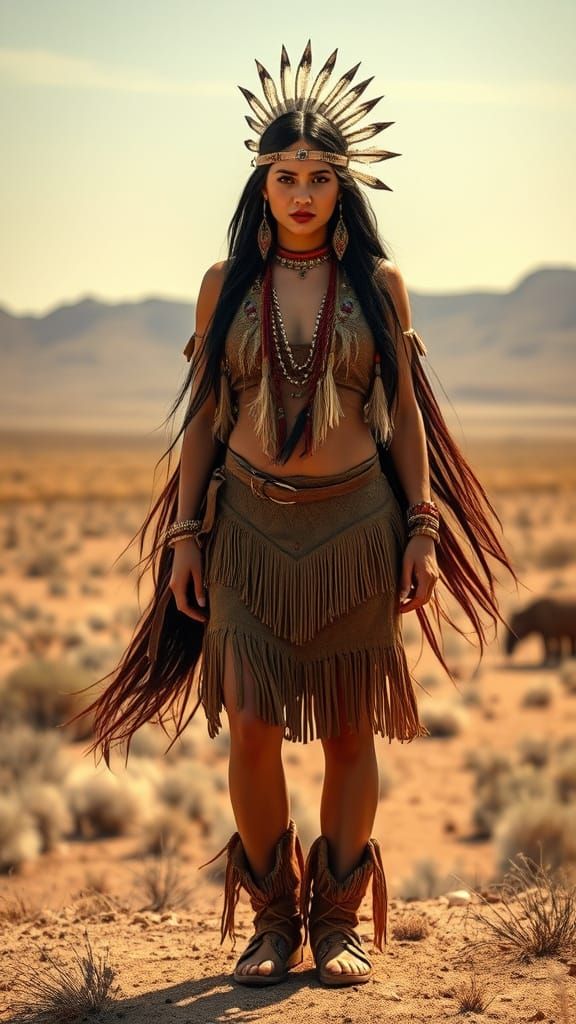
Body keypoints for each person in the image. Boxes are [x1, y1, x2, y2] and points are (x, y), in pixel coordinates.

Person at [71, 41, 518, 989]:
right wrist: (186, 537)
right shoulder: (224, 286)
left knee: (354, 730)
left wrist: (424, 529)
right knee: (253, 729)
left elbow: (402, 422)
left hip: (359, 531)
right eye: (285, 176)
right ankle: (273, 923)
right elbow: (204, 420)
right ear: (261, 186)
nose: (303, 192)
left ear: (342, 186)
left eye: (319, 176)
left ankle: (338, 922)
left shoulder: (379, 288)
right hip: (244, 540)